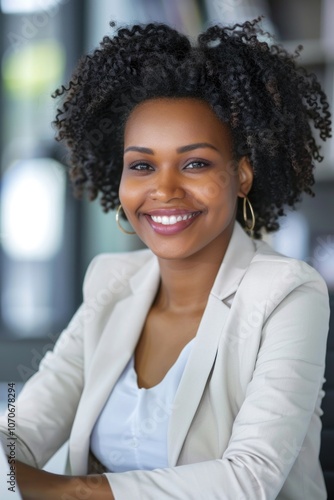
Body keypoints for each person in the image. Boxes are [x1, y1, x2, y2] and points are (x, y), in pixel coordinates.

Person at [0, 17, 332, 499]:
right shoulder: (112, 283)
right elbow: (17, 430)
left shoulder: (286, 293)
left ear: (241, 175)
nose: (164, 189)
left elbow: (248, 480)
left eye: (195, 163)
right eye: (142, 165)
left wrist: (76, 491)